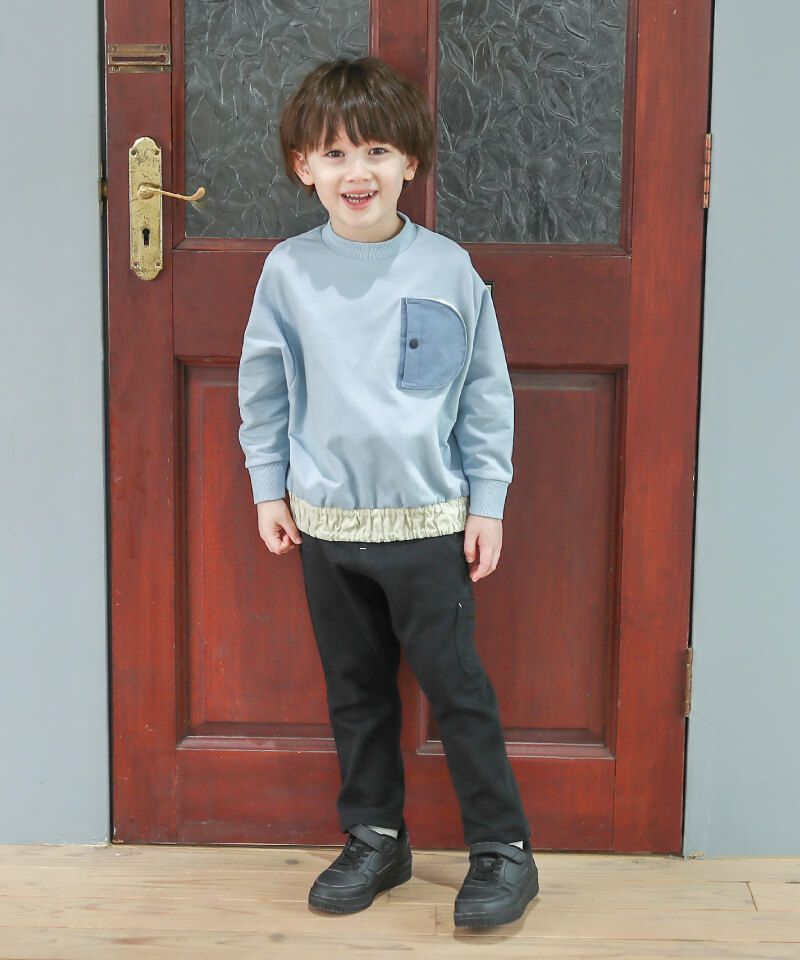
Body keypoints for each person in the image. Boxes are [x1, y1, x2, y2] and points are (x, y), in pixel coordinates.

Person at [237, 55, 539, 928]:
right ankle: (375, 836)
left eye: (375, 150)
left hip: (429, 526)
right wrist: (268, 489)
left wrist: (488, 503)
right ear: (303, 166)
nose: (356, 171)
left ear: (411, 160)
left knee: (458, 691)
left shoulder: (448, 269)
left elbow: (484, 395)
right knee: (356, 691)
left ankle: (504, 850)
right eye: (334, 154)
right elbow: (265, 389)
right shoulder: (288, 272)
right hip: (325, 527)